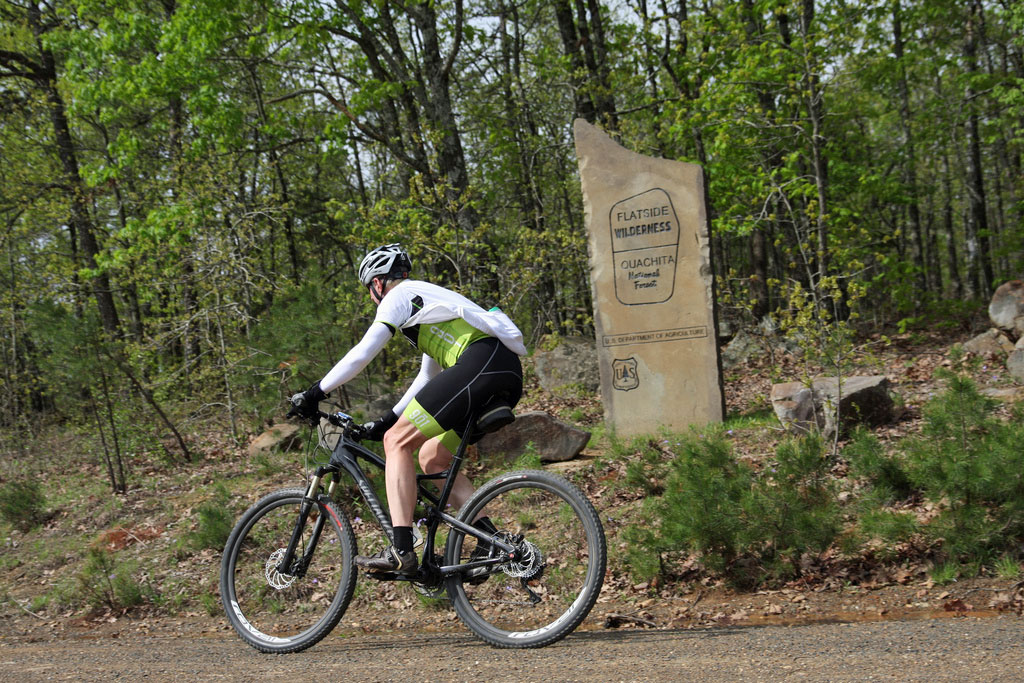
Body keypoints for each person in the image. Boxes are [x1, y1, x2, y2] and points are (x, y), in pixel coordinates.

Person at [290, 243, 526, 573]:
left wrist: (315, 392)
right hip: (503, 371)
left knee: (397, 443)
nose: (373, 299)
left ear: (377, 284)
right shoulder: (428, 305)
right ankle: (490, 540)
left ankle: (401, 549)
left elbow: (362, 353)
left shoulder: (400, 295)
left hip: (481, 362)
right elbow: (427, 377)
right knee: (432, 458)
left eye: (370, 291)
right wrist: (386, 420)